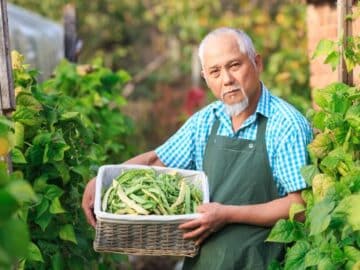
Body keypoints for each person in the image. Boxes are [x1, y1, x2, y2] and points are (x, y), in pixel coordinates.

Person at [82, 27, 313, 269]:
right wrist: (102, 181)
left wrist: (227, 215)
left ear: (257, 63)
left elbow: (299, 207)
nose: (227, 79)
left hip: (262, 262)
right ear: (205, 77)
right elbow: (156, 163)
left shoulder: (285, 125)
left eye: (234, 65)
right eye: (215, 71)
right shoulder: (206, 121)